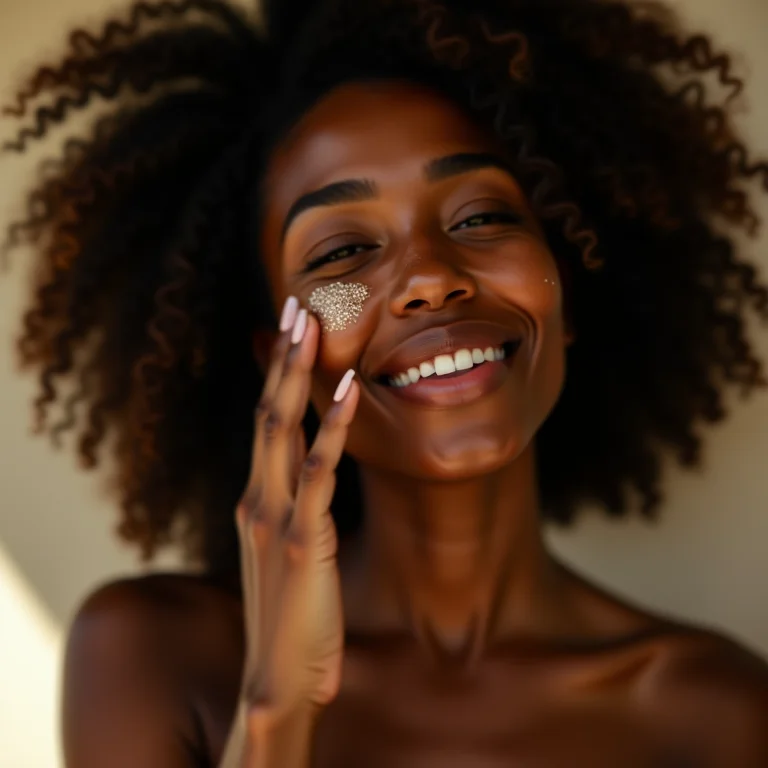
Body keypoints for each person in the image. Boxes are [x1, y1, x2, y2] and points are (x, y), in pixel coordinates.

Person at [4, 0, 768, 764]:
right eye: (340, 254)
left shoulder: (713, 713)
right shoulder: (156, 657)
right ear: (280, 354)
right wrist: (276, 708)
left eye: (478, 217)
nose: (431, 278)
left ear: (561, 288)